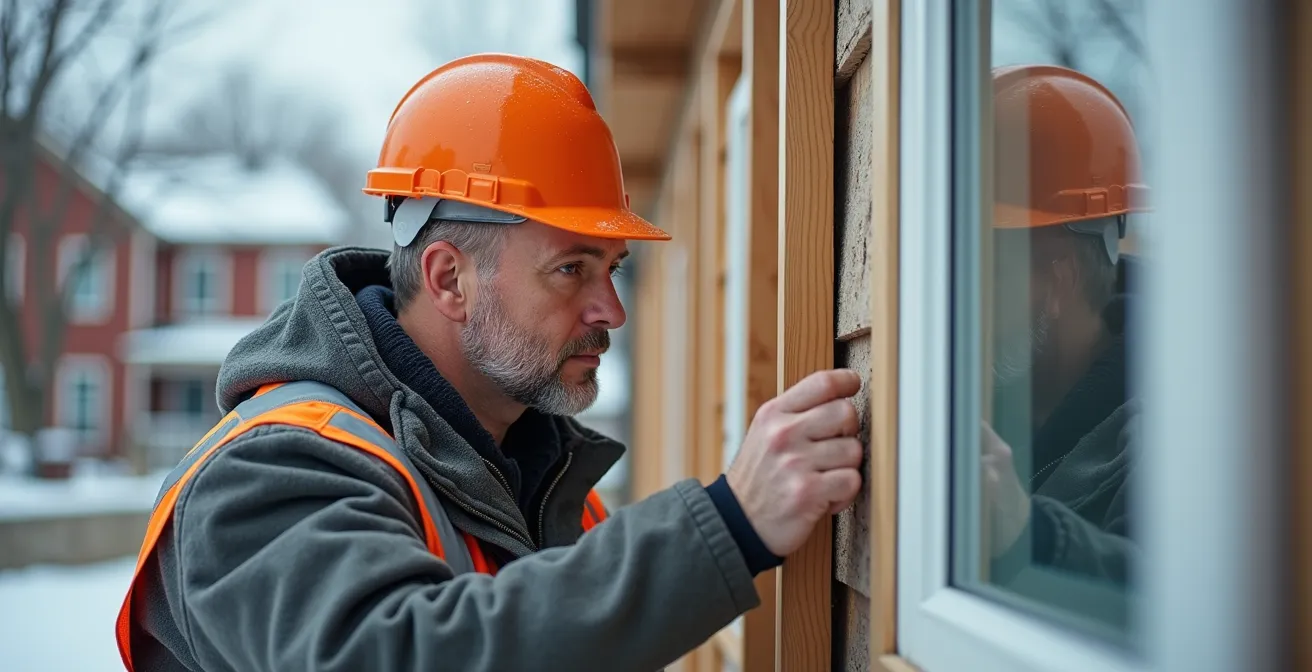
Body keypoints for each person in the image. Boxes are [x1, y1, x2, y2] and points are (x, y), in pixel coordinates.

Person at [113, 54, 864, 672]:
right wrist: (730, 527)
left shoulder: (533, 479)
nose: (612, 310)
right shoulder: (269, 472)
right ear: (448, 279)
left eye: (614, 268)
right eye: (572, 268)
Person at [980, 64, 1147, 587]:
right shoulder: (971, 398)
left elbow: (1177, 614)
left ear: (1058, 282)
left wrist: (1027, 537)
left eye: (980, 270)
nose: (955, 297)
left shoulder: (1183, 438)